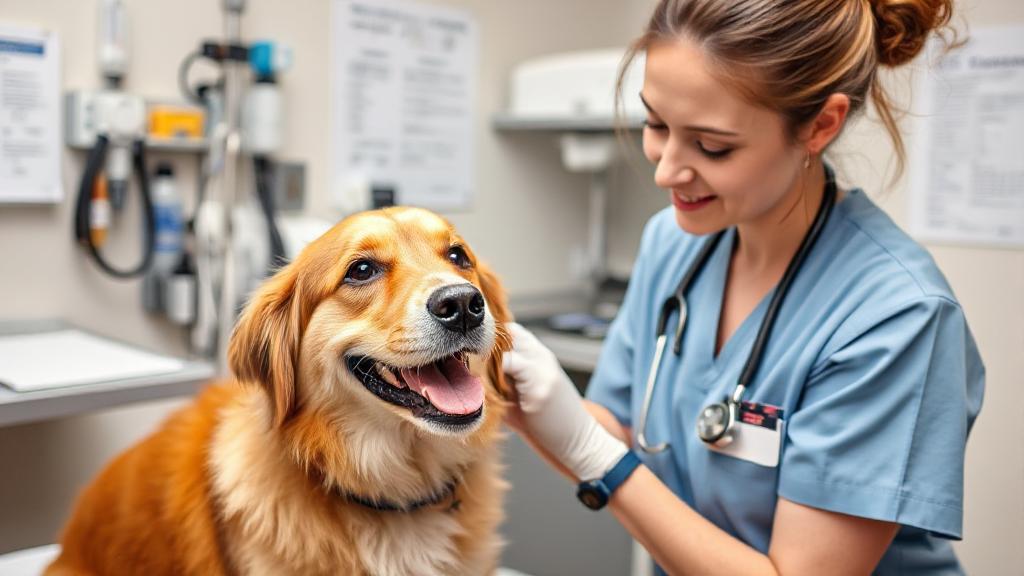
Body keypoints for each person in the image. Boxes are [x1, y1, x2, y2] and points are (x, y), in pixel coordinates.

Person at [501, 1, 984, 574]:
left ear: (820, 125)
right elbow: (619, 429)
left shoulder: (896, 317)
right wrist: (528, 405)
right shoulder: (672, 245)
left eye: (712, 146)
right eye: (656, 124)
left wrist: (593, 452)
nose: (665, 170)